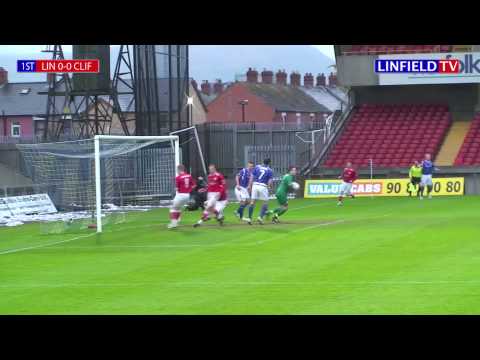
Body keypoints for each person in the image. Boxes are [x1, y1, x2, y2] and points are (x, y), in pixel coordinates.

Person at [167, 164, 196, 229]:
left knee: (172, 209)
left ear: (179, 169)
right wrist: (188, 189)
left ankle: (174, 223)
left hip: (180, 195)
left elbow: (177, 189)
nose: (177, 171)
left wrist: (176, 189)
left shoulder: (178, 177)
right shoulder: (189, 176)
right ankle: (177, 220)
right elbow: (194, 185)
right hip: (187, 195)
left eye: (177, 170)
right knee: (178, 208)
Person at [247, 158, 274, 225]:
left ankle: (249, 218)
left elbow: (252, 176)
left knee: (252, 202)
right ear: (269, 163)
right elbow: (270, 181)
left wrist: (249, 186)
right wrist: (269, 187)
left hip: (255, 185)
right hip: (263, 186)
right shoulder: (270, 170)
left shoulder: (257, 167)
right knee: (265, 203)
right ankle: (260, 217)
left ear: (262, 161)